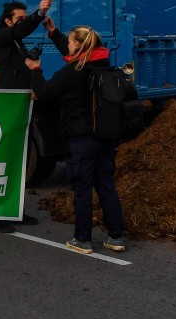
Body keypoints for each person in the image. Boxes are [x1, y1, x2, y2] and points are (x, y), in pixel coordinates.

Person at [26, 26, 126, 255]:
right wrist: (54, 33)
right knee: (107, 187)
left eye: (71, 42)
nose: (68, 46)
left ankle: (83, 240)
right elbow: (73, 53)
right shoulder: (105, 66)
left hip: (82, 139)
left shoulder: (73, 72)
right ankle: (116, 237)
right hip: (106, 136)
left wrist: (35, 70)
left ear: (79, 45)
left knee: (83, 190)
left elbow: (45, 92)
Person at [0, 0, 66, 232]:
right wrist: (39, 14)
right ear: (8, 21)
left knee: (19, 162)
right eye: (19, 19)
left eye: (25, 17)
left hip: (23, 106)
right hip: (7, 107)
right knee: (4, 161)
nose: (22, 22)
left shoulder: (18, 44)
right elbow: (20, 30)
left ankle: (14, 209)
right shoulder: (1, 37)